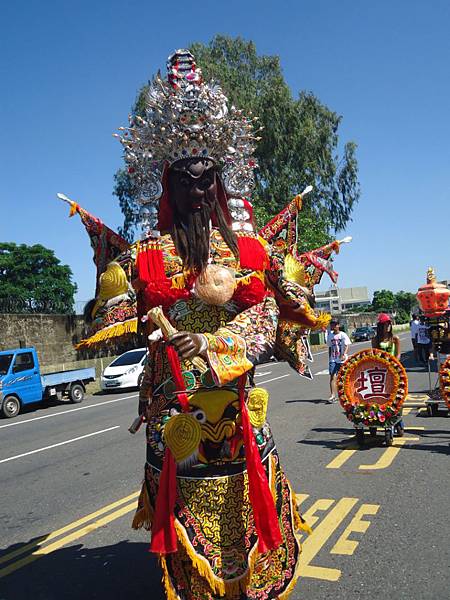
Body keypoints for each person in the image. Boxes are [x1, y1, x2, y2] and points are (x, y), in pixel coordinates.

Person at [83, 49, 331, 600]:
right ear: (167, 186)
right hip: (176, 408)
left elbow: (265, 310)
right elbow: (108, 318)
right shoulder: (148, 253)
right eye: (185, 181)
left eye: (206, 180)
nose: (197, 192)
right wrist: (118, 308)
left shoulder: (243, 248)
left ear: (219, 183)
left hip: (234, 398)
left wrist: (215, 342)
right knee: (185, 504)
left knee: (244, 496)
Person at [327, 319, 350, 403]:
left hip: (342, 360)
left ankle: (345, 394)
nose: (333, 326)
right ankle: (333, 395)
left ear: (338, 325)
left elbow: (347, 345)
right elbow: (329, 347)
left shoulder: (343, 335)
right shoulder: (330, 335)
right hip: (333, 359)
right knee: (332, 376)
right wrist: (330, 359)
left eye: (335, 324)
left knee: (343, 377)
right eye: (332, 325)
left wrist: (344, 354)